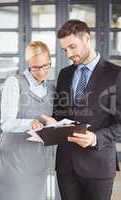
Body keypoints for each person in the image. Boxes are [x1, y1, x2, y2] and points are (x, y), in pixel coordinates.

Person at [42, 20, 121, 200]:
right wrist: (51, 122)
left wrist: (96, 138)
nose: (69, 54)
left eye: (72, 46)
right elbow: (59, 114)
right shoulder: (64, 74)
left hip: (98, 166)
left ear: (86, 38)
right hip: (65, 165)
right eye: (64, 50)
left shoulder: (116, 74)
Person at [0, 41, 55, 200]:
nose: (41, 71)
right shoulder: (15, 83)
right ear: (28, 64)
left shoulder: (52, 88)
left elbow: (50, 120)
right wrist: (29, 123)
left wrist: (53, 123)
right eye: (36, 67)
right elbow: (6, 123)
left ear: (50, 60)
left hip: (38, 157)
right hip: (14, 157)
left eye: (46, 66)